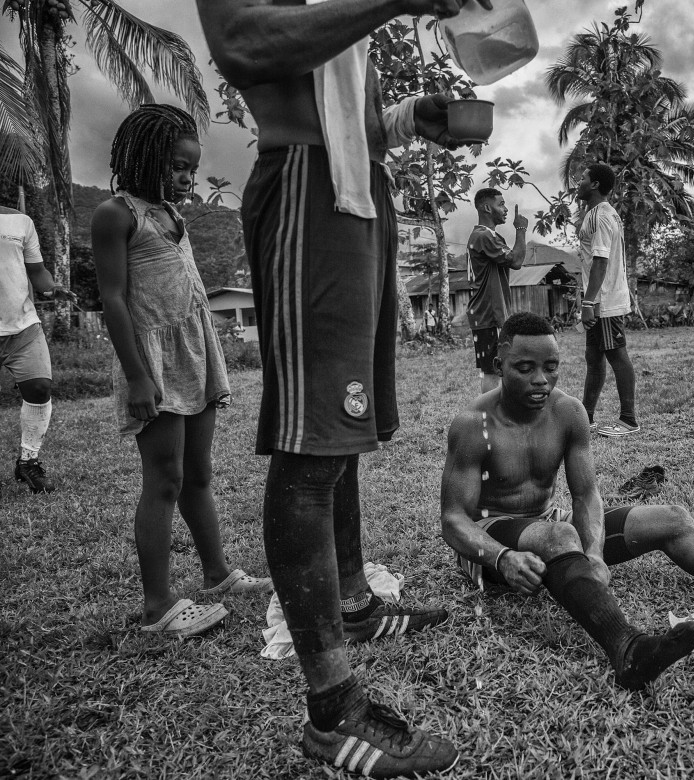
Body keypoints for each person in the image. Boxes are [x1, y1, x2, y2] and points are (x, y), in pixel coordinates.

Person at [196, 0, 489, 775]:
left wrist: (404, 118)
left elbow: (345, 112)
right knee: (312, 439)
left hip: (358, 193)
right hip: (304, 187)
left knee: (345, 426)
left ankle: (354, 604)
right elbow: (242, 44)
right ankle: (332, 714)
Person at [441, 313, 694, 681]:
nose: (540, 381)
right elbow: (454, 520)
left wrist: (596, 553)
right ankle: (628, 648)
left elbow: (586, 494)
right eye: (524, 369)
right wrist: (501, 558)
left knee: (671, 517)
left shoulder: (567, 412)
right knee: (559, 537)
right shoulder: (473, 425)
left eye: (550, 368)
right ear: (499, 366)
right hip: (491, 534)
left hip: (547, 519)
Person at [90, 104, 273, 637]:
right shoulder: (116, 214)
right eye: (176, 165)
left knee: (198, 473)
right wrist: (137, 376)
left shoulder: (174, 215)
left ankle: (217, 574)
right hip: (154, 362)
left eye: (191, 168)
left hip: (195, 350)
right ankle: (158, 606)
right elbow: (115, 300)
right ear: (142, 156)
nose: (185, 177)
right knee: (164, 479)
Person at [0, 205, 73, 494]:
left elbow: (36, 271)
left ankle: (28, 462)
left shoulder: (21, 220)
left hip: (22, 326)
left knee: (40, 387)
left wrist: (52, 289)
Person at [576, 163, 639, 437]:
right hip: (599, 299)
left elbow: (601, 261)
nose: (578, 182)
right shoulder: (602, 214)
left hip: (605, 301)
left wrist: (589, 303)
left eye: (583, 178)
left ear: (595, 185)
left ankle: (628, 420)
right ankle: (585, 416)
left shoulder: (601, 215)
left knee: (616, 354)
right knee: (594, 356)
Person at [466, 187, 527, 393]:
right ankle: (491, 417)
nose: (505, 209)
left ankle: (496, 414)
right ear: (486, 207)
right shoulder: (484, 236)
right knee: (492, 370)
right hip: (490, 313)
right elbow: (517, 261)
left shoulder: (486, 236)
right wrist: (520, 229)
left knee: (495, 367)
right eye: (500, 204)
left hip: (487, 313)